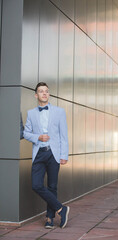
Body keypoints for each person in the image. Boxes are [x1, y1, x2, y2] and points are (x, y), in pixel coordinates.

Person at [23, 82, 70, 229]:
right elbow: (26, 133)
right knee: (36, 185)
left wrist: (64, 155)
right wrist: (38, 137)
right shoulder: (31, 113)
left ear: (48, 94)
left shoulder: (59, 111)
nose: (44, 93)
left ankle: (49, 218)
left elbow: (64, 135)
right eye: (41, 91)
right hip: (39, 153)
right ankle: (61, 209)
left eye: (46, 91)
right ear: (36, 95)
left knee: (52, 186)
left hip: (54, 153)